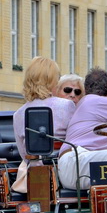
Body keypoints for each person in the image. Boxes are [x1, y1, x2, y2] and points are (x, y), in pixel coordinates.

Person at [13, 57, 76, 193]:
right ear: (52, 80)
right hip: (64, 171)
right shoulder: (67, 106)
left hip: (35, 176)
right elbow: (75, 141)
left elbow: (24, 154)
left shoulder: (18, 114)